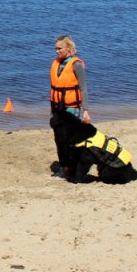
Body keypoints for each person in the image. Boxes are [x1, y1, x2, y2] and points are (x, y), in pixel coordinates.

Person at [49, 35, 90, 176]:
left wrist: (85, 110)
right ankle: (64, 167)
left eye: (59, 48)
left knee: (71, 140)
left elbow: (83, 88)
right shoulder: (56, 63)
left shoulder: (76, 65)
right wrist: (52, 113)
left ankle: (73, 167)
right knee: (59, 139)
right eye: (56, 48)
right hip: (57, 108)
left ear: (68, 48)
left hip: (72, 109)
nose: (57, 51)